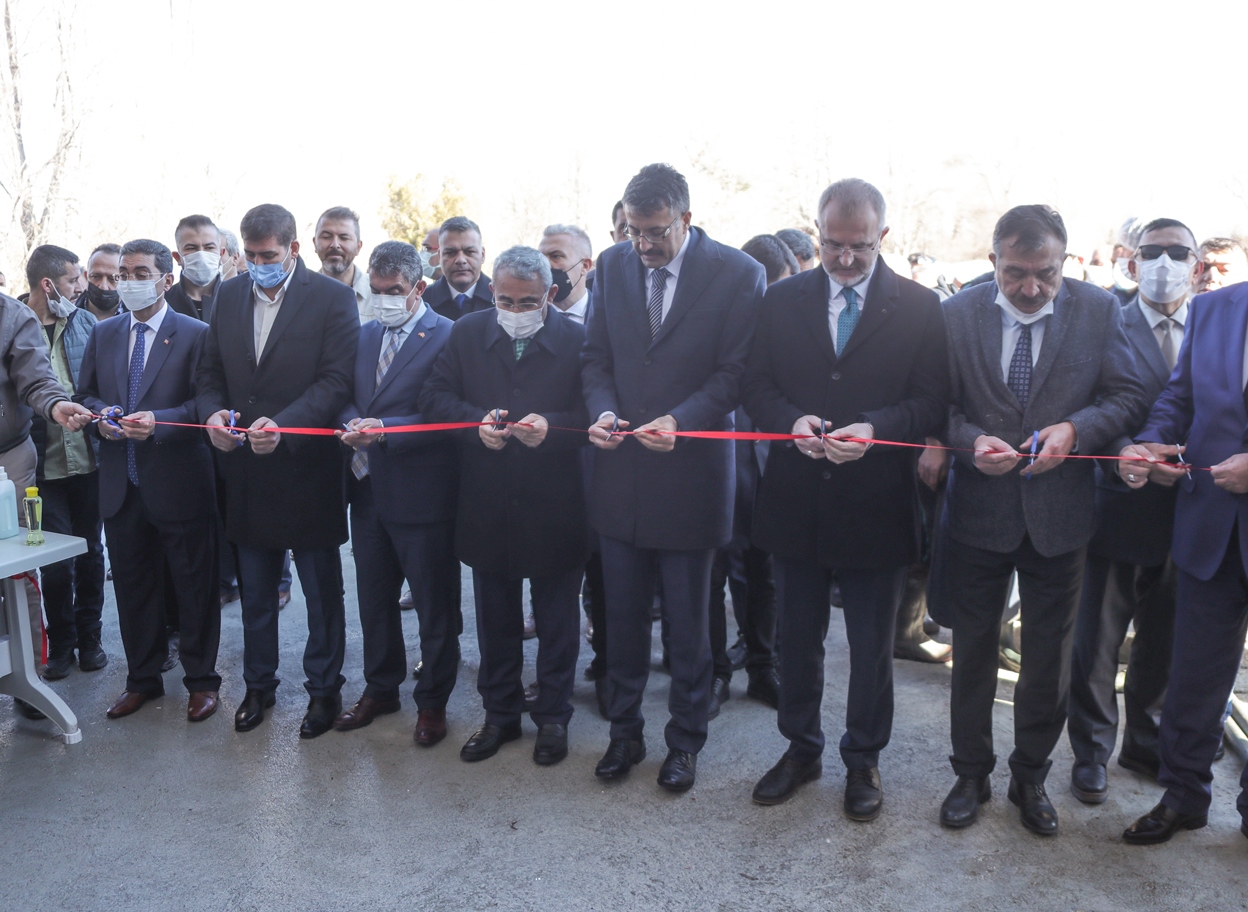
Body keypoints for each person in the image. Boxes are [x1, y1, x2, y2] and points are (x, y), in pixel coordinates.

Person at [935, 204, 1147, 837]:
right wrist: (969, 441)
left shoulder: (1099, 310)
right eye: (1016, 273)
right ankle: (970, 774)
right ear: (993, 261)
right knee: (973, 653)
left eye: (1045, 274)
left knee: (1049, 662)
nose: (1031, 288)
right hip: (978, 513)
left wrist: (1076, 430)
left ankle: (1030, 777)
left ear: (1066, 261)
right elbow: (938, 406)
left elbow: (1127, 397)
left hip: (1062, 517)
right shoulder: (955, 315)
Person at [743, 180, 949, 816]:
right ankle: (800, 748)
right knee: (797, 637)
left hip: (877, 503)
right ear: (818, 231)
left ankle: (864, 760)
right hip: (795, 498)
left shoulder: (920, 308)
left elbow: (931, 401)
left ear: (882, 236)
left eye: (860, 246)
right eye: (833, 244)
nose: (846, 258)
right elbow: (755, 385)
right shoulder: (781, 300)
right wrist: (791, 423)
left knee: (870, 646)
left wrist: (876, 430)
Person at [582, 163, 765, 791]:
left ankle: (685, 742)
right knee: (623, 618)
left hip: (692, 477)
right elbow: (595, 357)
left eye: (656, 232)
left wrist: (681, 421)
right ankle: (624, 734)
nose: (643, 245)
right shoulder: (611, 266)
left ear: (685, 218)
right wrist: (602, 410)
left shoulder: (738, 273)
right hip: (620, 474)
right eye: (633, 231)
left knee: (689, 626)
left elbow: (735, 374)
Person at [196, 203, 359, 739]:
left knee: (321, 594)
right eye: (250, 255)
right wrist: (213, 414)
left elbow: (337, 381)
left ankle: (324, 691)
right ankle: (258, 686)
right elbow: (210, 373)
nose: (259, 265)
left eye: (268, 256)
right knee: (256, 592)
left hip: (308, 470)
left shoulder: (331, 299)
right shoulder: (228, 295)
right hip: (246, 469)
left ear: (293, 249)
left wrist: (285, 426)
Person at [423, 245, 589, 766]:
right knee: (495, 619)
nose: (516, 312)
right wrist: (475, 423)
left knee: (557, 619)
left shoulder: (577, 340)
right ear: (492, 291)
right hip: (488, 499)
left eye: (529, 303)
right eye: (507, 301)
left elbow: (595, 412)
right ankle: (500, 715)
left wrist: (553, 428)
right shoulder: (467, 332)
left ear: (551, 295)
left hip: (557, 502)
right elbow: (434, 398)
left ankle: (554, 716)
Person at [1067, 219, 1200, 805]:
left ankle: (1145, 742)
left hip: (1191, 509)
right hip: (1116, 503)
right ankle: (1091, 753)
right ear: (1131, 261)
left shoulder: (1215, 326)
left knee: (1164, 638)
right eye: (1152, 252)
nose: (1164, 263)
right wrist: (1126, 454)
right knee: (1097, 642)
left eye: (1178, 252)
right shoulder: (1106, 321)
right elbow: (1089, 405)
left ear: (1197, 264)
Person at [1117, 262, 1248, 846]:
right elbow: (1182, 396)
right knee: (1193, 675)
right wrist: (1152, 440)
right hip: (1210, 524)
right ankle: (1183, 795)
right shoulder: (1215, 309)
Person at [77, 238, 221, 721]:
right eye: (123, 274)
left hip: (179, 481)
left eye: (140, 274)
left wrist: (161, 421)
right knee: (134, 587)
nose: (128, 283)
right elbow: (86, 395)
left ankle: (202, 681)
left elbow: (204, 404)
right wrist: (101, 417)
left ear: (165, 280)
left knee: (193, 587)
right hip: (122, 485)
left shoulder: (196, 333)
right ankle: (142, 679)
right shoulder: (105, 333)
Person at [333, 241, 461, 747]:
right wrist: (352, 422)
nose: (384, 299)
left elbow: (447, 412)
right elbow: (347, 395)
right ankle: (381, 688)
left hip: (422, 492)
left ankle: (432, 701)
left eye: (395, 291)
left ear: (419, 288)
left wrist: (387, 430)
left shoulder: (448, 335)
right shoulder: (364, 334)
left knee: (434, 605)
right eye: (377, 290)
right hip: (367, 489)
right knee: (374, 599)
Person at [0, 276, 94, 719]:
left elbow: (37, 379)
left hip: (8, 458)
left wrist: (56, 405)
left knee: (18, 567)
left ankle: (26, 673)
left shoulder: (12, 316)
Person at [23, 245, 107, 682]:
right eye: (74, 280)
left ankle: (91, 638)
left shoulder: (86, 323)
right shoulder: (13, 326)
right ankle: (61, 643)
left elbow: (98, 384)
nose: (81, 287)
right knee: (55, 561)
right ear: (48, 284)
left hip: (88, 460)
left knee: (91, 552)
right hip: (42, 468)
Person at [423, 217, 492, 321]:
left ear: (482, 255)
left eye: (469, 252)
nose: (460, 260)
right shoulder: (421, 304)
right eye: (451, 252)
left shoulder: (503, 300)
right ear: (440, 256)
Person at [314, 206, 371, 323]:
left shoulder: (377, 295)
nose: (335, 245)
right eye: (326, 237)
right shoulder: (299, 295)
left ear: (358, 247)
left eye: (344, 238)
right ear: (315, 243)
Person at [166, 215, 223, 323]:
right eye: (191, 248)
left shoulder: (238, 299)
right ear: (177, 257)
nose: (201, 255)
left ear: (221, 254)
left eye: (209, 247)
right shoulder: (163, 303)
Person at [77, 244, 125, 321]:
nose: (103, 286)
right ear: (86, 276)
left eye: (113, 279)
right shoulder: (66, 317)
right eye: (96, 277)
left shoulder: (139, 319)